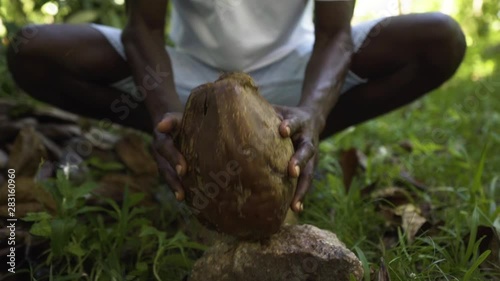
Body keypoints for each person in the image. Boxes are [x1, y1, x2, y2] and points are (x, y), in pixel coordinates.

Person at [6, 0, 466, 213]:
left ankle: (296, 142)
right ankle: (183, 144)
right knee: (32, 49)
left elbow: (335, 35)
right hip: (192, 78)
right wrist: (166, 115)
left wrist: (313, 110)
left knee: (439, 38)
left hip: (293, 73)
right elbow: (142, 29)